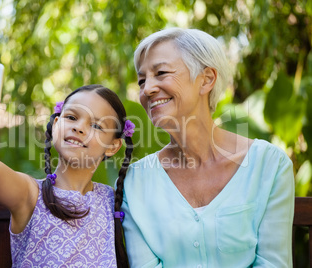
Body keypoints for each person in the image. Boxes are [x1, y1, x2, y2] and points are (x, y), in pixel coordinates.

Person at [120, 28, 295, 267]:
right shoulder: (135, 182)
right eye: (142, 80)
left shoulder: (269, 165)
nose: (146, 89)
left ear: (207, 79)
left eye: (161, 73)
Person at [0, 69, 134, 267]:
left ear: (113, 146)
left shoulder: (111, 200)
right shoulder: (30, 194)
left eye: (96, 125)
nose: (79, 127)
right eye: (71, 117)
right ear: (56, 125)